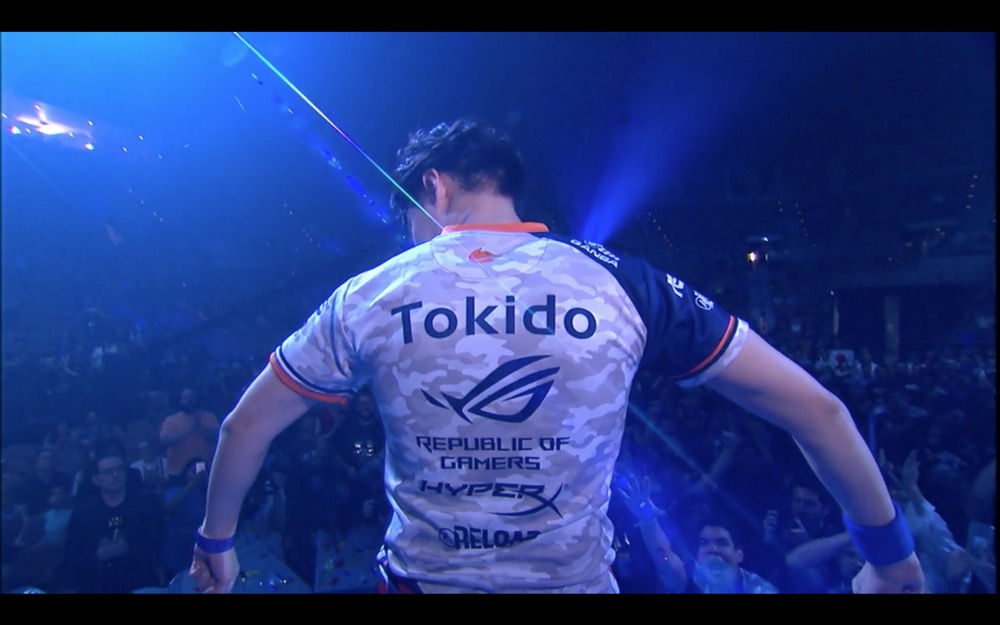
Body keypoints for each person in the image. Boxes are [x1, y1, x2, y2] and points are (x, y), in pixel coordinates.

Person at [190, 117, 925, 594]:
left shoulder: (368, 294)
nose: (409, 236)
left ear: (434, 188)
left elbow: (244, 426)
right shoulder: (625, 282)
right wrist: (890, 557)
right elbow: (818, 411)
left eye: (407, 216)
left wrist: (215, 541)